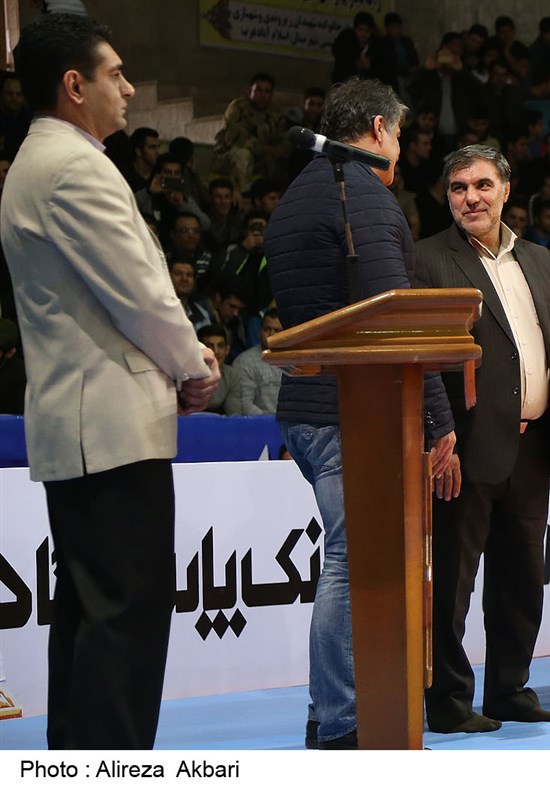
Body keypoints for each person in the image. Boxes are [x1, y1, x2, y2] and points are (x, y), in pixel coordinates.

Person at [0, 13, 219, 748]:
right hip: (109, 429)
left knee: (93, 615)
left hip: (88, 425)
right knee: (124, 618)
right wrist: (193, 364)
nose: (128, 88)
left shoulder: (47, 160)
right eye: (115, 74)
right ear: (74, 85)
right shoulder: (73, 167)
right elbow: (141, 294)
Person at [264, 77, 456, 750]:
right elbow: (397, 319)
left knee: (346, 558)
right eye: (398, 134)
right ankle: (343, 720)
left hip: (311, 407)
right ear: (378, 128)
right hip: (354, 412)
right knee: (350, 562)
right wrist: (439, 417)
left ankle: (332, 710)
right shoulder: (362, 196)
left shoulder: (298, 194)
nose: (399, 148)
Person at [411, 145, 550, 733]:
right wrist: (438, 439)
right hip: (462, 449)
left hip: (534, 445)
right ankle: (447, 701)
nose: (471, 198)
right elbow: (422, 362)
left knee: (522, 578)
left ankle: (510, 689)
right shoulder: (426, 259)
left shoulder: (537, 258)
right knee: (453, 583)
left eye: (482, 185)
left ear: (506, 190)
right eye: (459, 188)